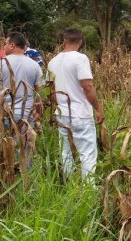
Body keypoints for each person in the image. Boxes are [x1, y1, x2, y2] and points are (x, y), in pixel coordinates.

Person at [48, 28, 104, 179]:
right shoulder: (80, 58)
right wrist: (98, 108)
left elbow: (51, 91)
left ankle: (69, 183)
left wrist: (61, 104)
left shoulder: (52, 61)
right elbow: (87, 86)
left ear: (64, 41)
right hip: (80, 114)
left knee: (65, 151)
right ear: (80, 42)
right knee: (87, 153)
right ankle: (88, 190)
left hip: (62, 113)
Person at [0, 32, 44, 125]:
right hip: (25, 114)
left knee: (1, 139)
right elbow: (39, 92)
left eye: (6, 44)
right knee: (24, 139)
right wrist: (38, 111)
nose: (4, 47)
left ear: (12, 45)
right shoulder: (35, 66)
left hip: (2, 113)